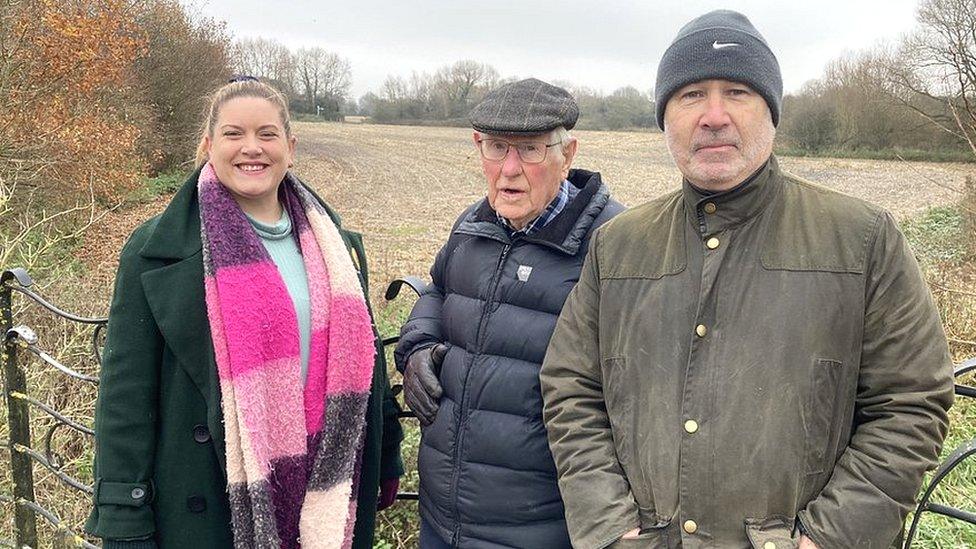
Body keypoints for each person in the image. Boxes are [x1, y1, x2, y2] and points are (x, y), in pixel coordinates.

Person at [540, 10, 955, 549]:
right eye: (691, 95)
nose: (713, 115)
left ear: (772, 112)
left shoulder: (862, 239)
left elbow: (911, 401)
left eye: (737, 91)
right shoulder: (619, 245)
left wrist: (828, 539)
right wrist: (611, 529)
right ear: (666, 118)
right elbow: (571, 388)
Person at [85, 78, 404, 549]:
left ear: (290, 148)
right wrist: (122, 516)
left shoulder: (338, 247)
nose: (251, 148)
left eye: (267, 134)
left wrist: (387, 452)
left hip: (327, 489)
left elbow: (365, 362)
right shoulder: (157, 252)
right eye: (234, 134)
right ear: (210, 144)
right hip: (210, 503)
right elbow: (125, 398)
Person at [394, 78, 624, 548]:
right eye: (497, 147)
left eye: (530, 150)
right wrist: (417, 346)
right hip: (441, 520)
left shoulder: (612, 244)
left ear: (568, 153)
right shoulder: (474, 224)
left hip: (539, 530)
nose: (509, 170)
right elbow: (439, 290)